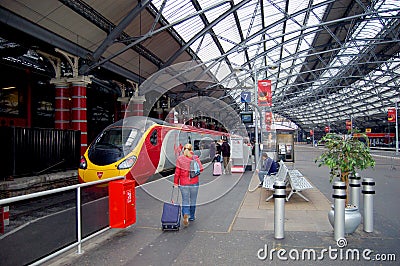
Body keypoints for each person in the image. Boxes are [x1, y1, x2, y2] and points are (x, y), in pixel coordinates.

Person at [173, 143, 203, 226]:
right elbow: (201, 169)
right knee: (193, 200)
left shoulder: (180, 159)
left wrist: (175, 183)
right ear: (191, 149)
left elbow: (177, 172)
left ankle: (186, 214)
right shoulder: (195, 158)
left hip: (183, 184)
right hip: (194, 183)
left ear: (183, 149)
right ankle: (192, 216)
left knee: (185, 200)